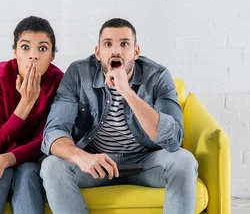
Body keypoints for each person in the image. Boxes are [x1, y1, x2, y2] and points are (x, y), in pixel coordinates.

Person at [40, 18, 198, 214]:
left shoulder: (158, 76)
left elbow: (173, 140)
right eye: (108, 44)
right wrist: (82, 157)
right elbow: (53, 132)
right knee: (51, 166)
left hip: (146, 162)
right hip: (96, 165)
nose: (116, 51)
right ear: (98, 52)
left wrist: (127, 92)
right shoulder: (78, 74)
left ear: (136, 52)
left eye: (124, 44)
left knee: (185, 161)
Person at [0, 16, 63, 214]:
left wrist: (6, 160)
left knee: (27, 175)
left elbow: (45, 141)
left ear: (52, 55)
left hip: (27, 159)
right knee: (1, 174)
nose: (33, 56)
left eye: (42, 49)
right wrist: (26, 103)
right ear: (15, 52)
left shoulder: (59, 82)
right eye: (25, 48)